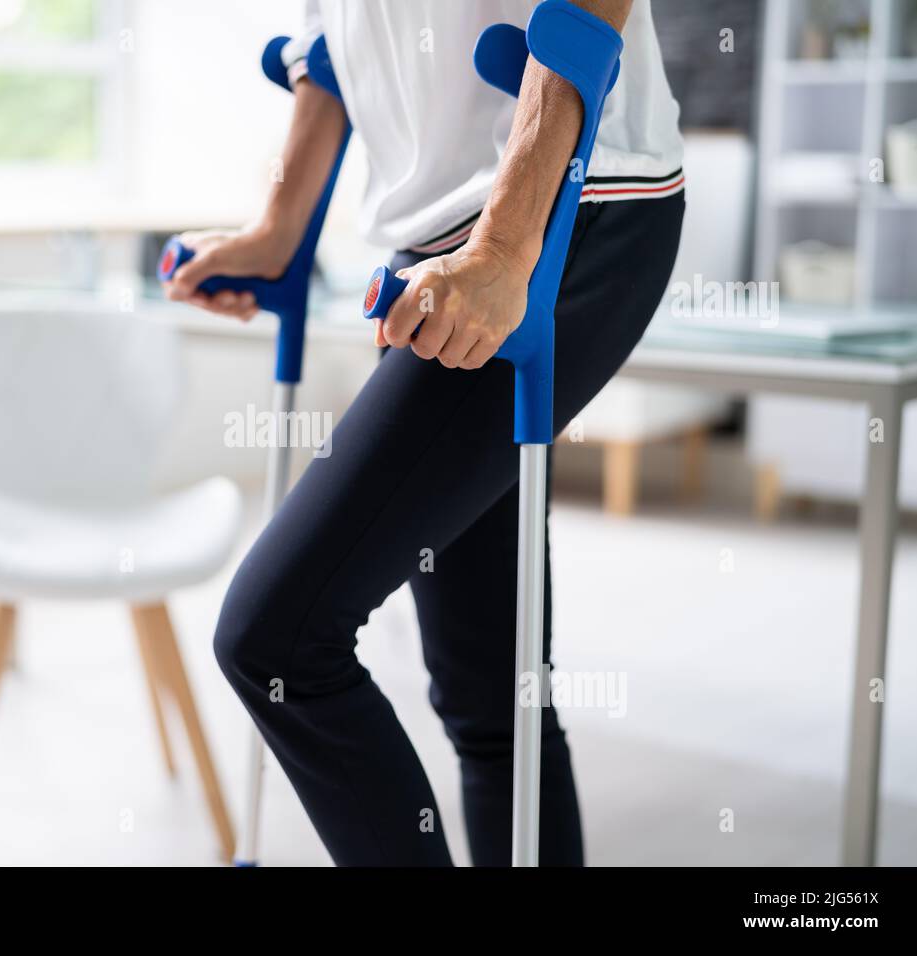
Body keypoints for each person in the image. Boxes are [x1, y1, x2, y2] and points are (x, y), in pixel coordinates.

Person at [163, 0, 684, 866]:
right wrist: (278, 232)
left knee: (278, 637)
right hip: (436, 252)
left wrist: (508, 247)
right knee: (491, 700)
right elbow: (334, 52)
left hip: (573, 201)